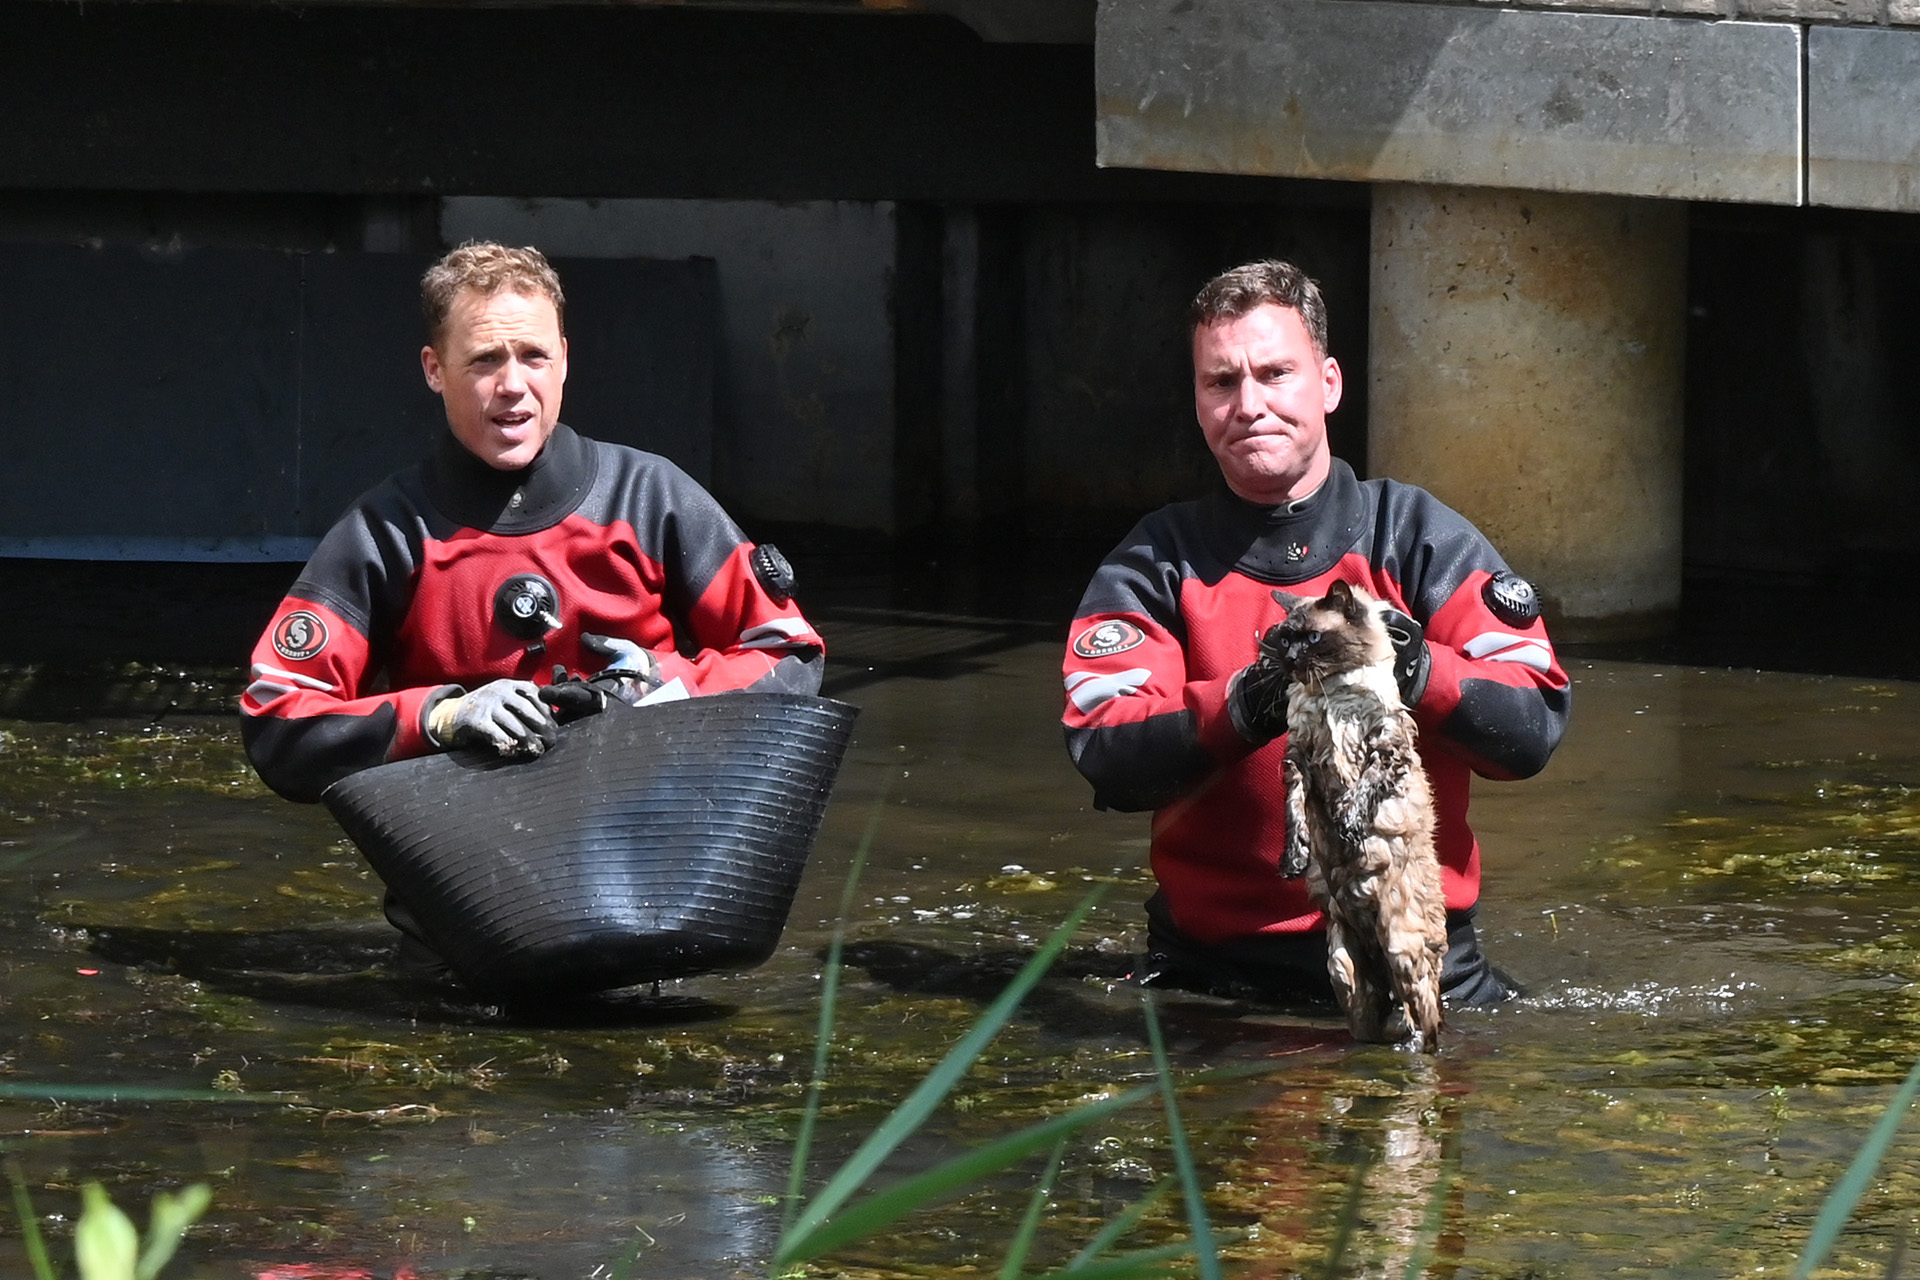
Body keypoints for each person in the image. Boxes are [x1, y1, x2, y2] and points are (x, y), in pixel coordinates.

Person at [241, 242, 825, 953]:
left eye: (533, 357)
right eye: (485, 360)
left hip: (654, 916)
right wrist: (442, 716)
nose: (513, 385)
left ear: (565, 361)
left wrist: (666, 690)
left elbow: (790, 651)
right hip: (461, 932)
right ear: (434, 369)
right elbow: (277, 720)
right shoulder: (386, 534)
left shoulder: (650, 497)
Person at [1061, 259, 1569, 1008]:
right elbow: (1107, 752)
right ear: (1198, 402)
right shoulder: (1151, 565)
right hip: (1215, 981)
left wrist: (1415, 669)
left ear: (1328, 384)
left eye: (1275, 374)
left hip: (1420, 962)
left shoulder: (1418, 538)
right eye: (1221, 382)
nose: (1250, 405)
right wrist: (1247, 703)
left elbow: (1532, 727)